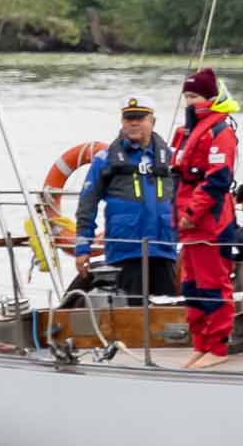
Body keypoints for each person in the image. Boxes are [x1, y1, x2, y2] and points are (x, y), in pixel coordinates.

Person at [169, 66, 243, 361]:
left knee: (213, 284)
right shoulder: (188, 131)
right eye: (187, 95)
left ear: (211, 98)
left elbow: (218, 179)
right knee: (191, 285)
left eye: (195, 95)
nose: (190, 101)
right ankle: (201, 344)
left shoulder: (219, 131)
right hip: (189, 222)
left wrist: (191, 212)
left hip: (209, 221)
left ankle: (218, 346)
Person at [72, 100, 177, 304]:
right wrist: (83, 248)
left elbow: (187, 200)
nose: (134, 123)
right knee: (129, 314)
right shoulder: (105, 160)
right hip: (125, 251)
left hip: (163, 250)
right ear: (122, 121)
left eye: (140, 118)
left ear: (152, 121)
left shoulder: (171, 159)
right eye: (129, 118)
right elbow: (87, 205)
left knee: (167, 316)